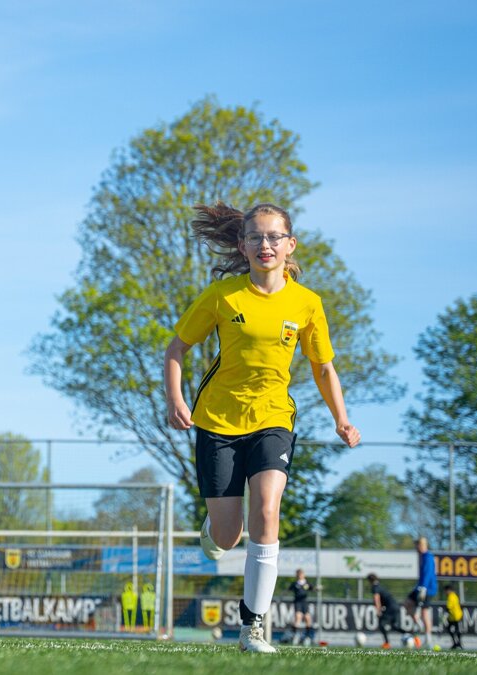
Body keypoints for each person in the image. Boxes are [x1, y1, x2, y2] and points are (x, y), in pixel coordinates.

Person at [163, 203, 361, 653]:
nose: (265, 245)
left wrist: (342, 418)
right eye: (256, 237)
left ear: (290, 245)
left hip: (274, 418)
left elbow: (323, 366)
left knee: (268, 511)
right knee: (228, 535)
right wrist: (176, 399)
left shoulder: (307, 303)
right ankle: (214, 530)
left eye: (274, 237)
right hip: (217, 422)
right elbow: (176, 348)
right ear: (242, 245)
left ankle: (252, 627)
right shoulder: (223, 296)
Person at [404, 537, 438, 646]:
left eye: (417, 545)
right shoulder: (422, 557)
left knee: (425, 612)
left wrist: (423, 588)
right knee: (407, 603)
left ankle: (428, 638)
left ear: (422, 545)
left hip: (427, 588)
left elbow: (428, 573)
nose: (415, 547)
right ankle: (419, 625)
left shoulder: (428, 557)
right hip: (420, 586)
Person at [368, 573, 416, 649]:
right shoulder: (381, 586)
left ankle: (387, 643)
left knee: (382, 624)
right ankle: (412, 636)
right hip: (396, 606)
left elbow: (376, 599)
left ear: (370, 581)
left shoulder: (375, 587)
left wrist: (378, 611)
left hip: (390, 608)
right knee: (395, 626)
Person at [288, 568, 315, 645]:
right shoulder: (295, 584)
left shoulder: (307, 583)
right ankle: (295, 635)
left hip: (304, 602)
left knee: (307, 618)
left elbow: (312, 589)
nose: (300, 576)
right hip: (297, 602)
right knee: (298, 617)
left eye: (301, 574)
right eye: (298, 574)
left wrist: (316, 589)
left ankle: (308, 636)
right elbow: (288, 590)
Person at [442, 584, 463, 650]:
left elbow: (448, 607)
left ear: (448, 590)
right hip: (452, 617)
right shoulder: (454, 595)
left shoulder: (451, 596)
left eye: (445, 591)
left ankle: (458, 644)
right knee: (451, 630)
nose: (445, 592)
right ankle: (456, 643)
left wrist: (445, 616)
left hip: (456, 616)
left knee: (456, 630)